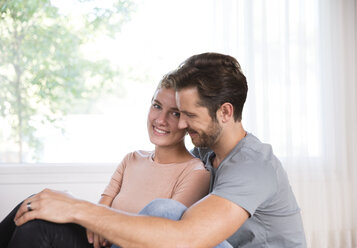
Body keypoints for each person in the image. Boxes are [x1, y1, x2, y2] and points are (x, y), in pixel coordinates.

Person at [11, 52, 307, 247]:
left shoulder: (254, 165)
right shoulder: (207, 153)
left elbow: (188, 237)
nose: (182, 124)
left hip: (189, 240)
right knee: (36, 208)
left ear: (225, 112)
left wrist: (78, 208)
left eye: (188, 115)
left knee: (164, 211)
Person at [0, 76, 210, 247]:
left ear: (186, 121)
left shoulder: (195, 173)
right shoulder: (132, 159)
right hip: (100, 242)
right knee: (37, 202)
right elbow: (98, 214)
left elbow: (166, 234)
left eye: (174, 113)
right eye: (156, 106)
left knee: (39, 227)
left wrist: (102, 224)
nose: (160, 119)